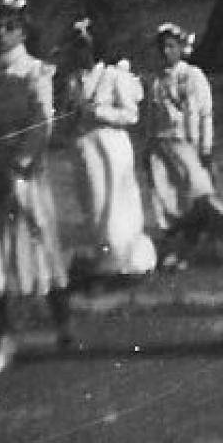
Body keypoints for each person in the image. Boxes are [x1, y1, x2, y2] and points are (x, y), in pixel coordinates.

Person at [0, 0, 75, 375]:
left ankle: (63, 324)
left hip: (25, 172)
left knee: (41, 242)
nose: (2, 33)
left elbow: (43, 121)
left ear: (22, 31)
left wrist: (18, 163)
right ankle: (4, 341)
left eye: (10, 26)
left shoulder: (36, 71)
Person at [61, 19, 158, 287]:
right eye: (77, 47)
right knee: (94, 202)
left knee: (116, 202)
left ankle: (129, 260)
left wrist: (97, 111)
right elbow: (66, 116)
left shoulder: (114, 76)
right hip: (85, 147)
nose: (80, 52)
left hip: (111, 146)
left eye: (85, 46)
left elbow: (131, 115)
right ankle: (105, 259)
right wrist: (70, 118)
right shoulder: (73, 80)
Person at [141, 22, 223, 265]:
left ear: (181, 48)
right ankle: (177, 249)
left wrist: (205, 148)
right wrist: (148, 146)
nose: (166, 52)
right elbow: (151, 117)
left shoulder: (191, 76)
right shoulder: (157, 81)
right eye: (162, 47)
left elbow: (204, 114)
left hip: (186, 144)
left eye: (171, 46)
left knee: (197, 195)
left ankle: (213, 246)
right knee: (168, 199)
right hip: (162, 146)